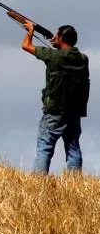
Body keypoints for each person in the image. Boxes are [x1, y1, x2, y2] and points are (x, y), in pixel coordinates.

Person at [21, 21, 90, 175]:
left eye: (56, 35)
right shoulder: (83, 59)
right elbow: (65, 55)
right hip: (74, 111)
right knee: (73, 147)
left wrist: (30, 31)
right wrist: (57, 43)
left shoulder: (53, 56)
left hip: (55, 110)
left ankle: (39, 181)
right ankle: (74, 183)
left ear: (60, 39)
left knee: (45, 145)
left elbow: (26, 45)